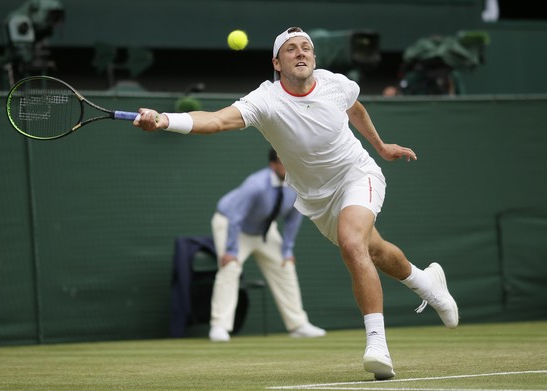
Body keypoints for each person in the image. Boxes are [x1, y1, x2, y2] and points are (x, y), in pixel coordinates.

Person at [134, 26, 459, 381]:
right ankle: (427, 283)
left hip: (357, 175)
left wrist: (380, 147)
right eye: (291, 49)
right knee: (374, 251)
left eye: (306, 48)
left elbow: (356, 109)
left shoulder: (334, 83)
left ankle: (377, 344)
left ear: (314, 58)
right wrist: (164, 120)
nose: (301, 53)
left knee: (352, 244)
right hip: (316, 198)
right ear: (277, 62)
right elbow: (215, 120)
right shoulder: (266, 100)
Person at [208, 147, 326, 342]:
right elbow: (235, 217)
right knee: (230, 268)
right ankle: (219, 327)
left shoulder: (297, 185)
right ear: (273, 165)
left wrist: (287, 249)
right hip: (231, 225)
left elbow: (294, 218)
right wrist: (231, 250)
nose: (290, 166)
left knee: (285, 265)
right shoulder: (256, 185)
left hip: (264, 230)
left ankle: (298, 325)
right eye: (284, 162)